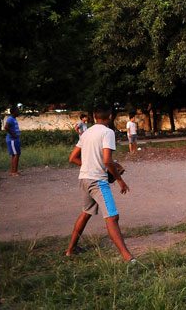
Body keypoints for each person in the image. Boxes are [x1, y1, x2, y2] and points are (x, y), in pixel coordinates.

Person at [66, 105, 135, 262]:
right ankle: (128, 257)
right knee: (112, 217)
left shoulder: (86, 133)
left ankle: (71, 249)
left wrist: (89, 166)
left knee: (86, 213)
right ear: (110, 117)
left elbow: (73, 158)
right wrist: (120, 180)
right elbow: (107, 160)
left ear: (94, 117)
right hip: (97, 181)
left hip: (84, 178)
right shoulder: (107, 132)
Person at [4, 104, 22, 177]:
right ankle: (13, 172)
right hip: (12, 140)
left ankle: (14, 171)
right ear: (14, 111)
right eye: (18, 110)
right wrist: (13, 134)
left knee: (16, 154)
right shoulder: (10, 119)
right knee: (16, 154)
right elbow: (6, 127)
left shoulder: (14, 119)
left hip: (15, 140)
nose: (19, 112)